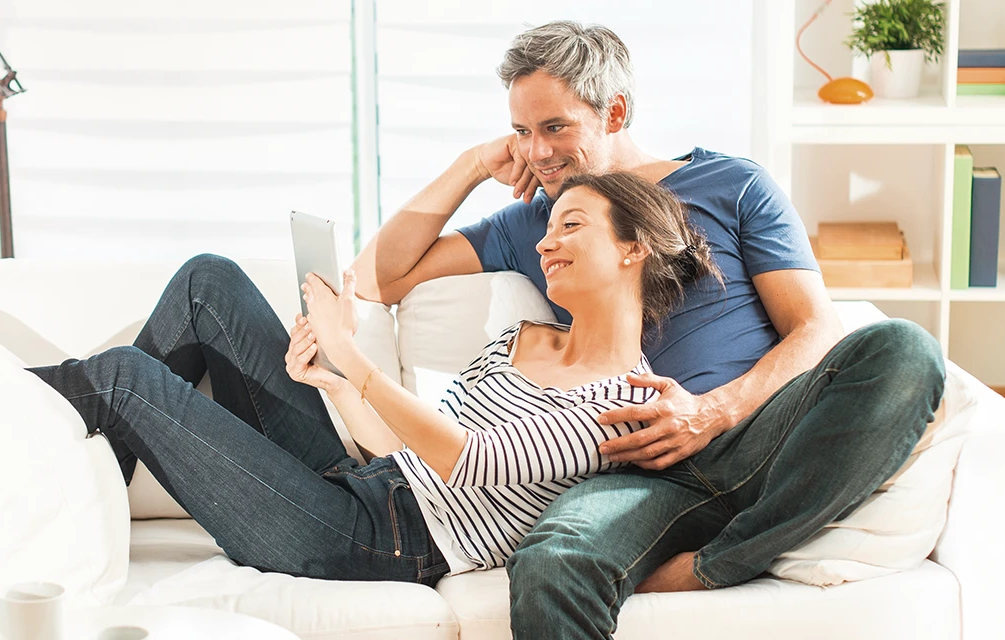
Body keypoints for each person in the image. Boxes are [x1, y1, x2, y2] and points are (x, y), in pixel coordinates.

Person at [0, 172, 716, 585]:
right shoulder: (520, 342)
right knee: (211, 285)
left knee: (125, 377)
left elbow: (468, 462)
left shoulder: (623, 404)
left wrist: (356, 361)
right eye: (546, 225)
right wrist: (329, 379)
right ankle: (38, 426)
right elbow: (393, 447)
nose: (546, 239)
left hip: (374, 543)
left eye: (574, 226)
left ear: (634, 253)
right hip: (365, 481)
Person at [347, 21, 945, 637]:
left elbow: (818, 328)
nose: (537, 153)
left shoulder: (731, 184)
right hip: (638, 472)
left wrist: (714, 410)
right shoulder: (541, 222)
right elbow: (382, 278)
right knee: (555, 562)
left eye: (556, 127)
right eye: (522, 132)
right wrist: (472, 165)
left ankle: (723, 560)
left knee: (904, 350)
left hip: (759, 432)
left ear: (616, 112)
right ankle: (715, 551)